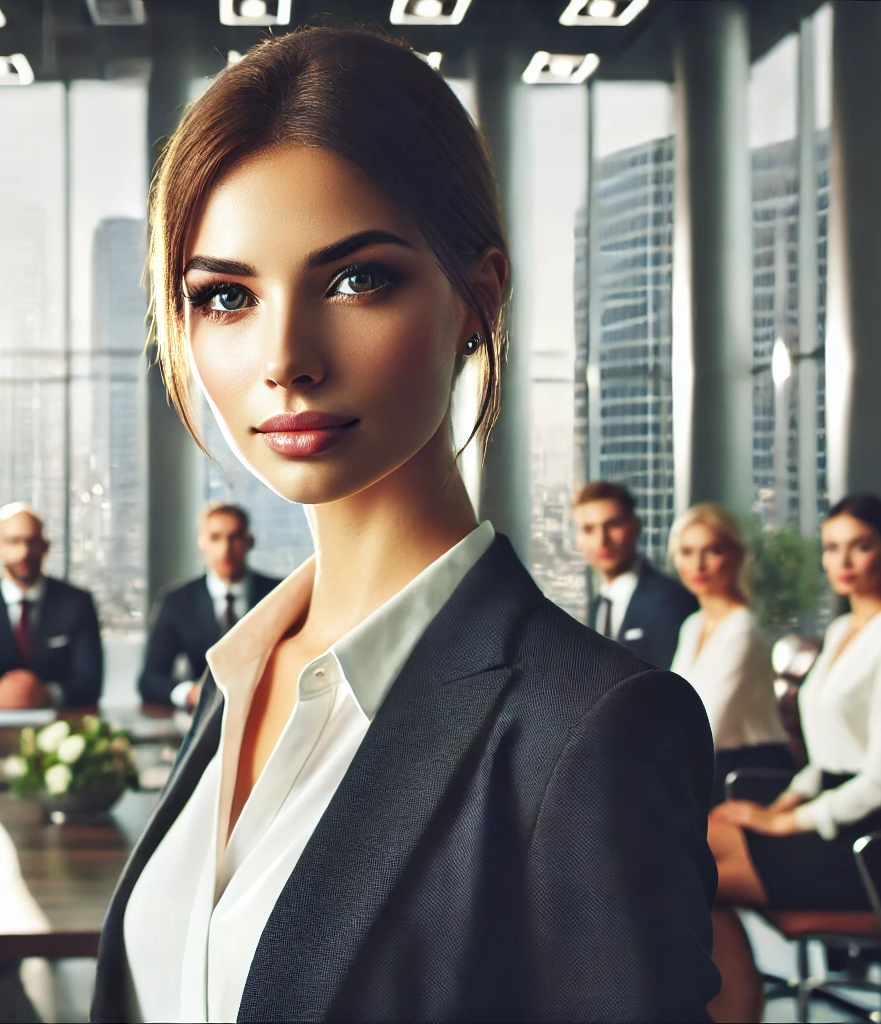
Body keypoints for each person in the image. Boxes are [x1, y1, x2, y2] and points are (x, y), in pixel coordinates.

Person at [91, 29, 717, 1022]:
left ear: (477, 296)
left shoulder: (591, 732)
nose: (285, 355)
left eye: (355, 279)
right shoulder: (243, 675)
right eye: (225, 296)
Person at [704, 494, 881, 1022]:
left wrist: (780, 823)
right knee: (689, 849)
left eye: (861, 546)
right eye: (832, 548)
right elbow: (827, 756)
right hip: (835, 816)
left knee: (691, 872)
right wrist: (784, 803)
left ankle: (731, 1014)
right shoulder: (842, 630)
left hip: (876, 847)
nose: (844, 562)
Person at [666, 503, 795, 808]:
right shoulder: (693, 624)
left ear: (736, 556)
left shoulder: (743, 627)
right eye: (687, 552)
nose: (698, 565)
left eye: (713, 550)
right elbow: (672, 707)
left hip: (748, 772)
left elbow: (710, 723)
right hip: (704, 763)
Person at [0, 504, 105, 710]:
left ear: (45, 546)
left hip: (60, 724)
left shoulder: (77, 603)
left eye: (31, 542)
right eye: (14, 541)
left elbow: (91, 684)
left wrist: (48, 694)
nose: (24, 552)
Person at [138, 503, 282, 709]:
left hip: (270, 708)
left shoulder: (279, 594)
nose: (225, 549)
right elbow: (150, 680)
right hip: (204, 715)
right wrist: (190, 693)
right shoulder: (177, 601)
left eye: (235, 537)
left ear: (249, 542)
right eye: (215, 537)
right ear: (202, 543)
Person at [574, 479, 700, 669]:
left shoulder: (672, 601)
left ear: (635, 526)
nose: (602, 540)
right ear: (579, 539)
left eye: (613, 524)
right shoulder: (597, 605)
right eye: (589, 529)